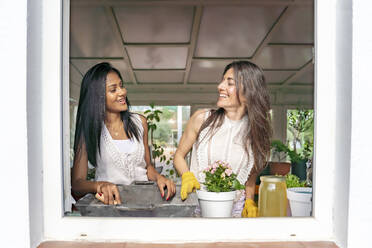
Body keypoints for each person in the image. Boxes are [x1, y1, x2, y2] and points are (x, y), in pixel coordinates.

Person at [174, 61, 272, 217]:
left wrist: (249, 201)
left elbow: (250, 179)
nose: (220, 86)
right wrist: (187, 175)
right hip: (198, 208)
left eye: (230, 83)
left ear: (249, 92)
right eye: (222, 80)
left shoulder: (256, 132)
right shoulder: (202, 118)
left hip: (236, 213)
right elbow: (179, 156)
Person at [71, 62, 175, 205]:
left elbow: (147, 167)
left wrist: (159, 178)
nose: (122, 92)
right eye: (113, 90)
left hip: (144, 204)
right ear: (98, 96)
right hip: (110, 207)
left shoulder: (140, 123)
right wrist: (100, 185)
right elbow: (77, 184)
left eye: (121, 85)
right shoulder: (90, 130)